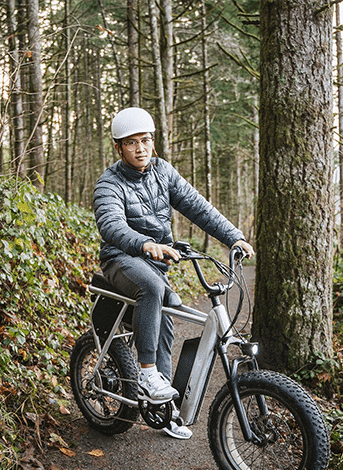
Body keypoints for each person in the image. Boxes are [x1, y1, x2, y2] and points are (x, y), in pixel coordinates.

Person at [93, 107, 254, 439]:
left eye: (146, 140)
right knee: (152, 288)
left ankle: (162, 409)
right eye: (132, 143)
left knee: (168, 316)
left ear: (154, 142)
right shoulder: (109, 182)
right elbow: (110, 225)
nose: (140, 148)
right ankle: (148, 372)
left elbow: (197, 206)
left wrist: (233, 236)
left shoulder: (163, 172)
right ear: (119, 147)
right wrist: (145, 243)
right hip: (120, 259)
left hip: (154, 261)